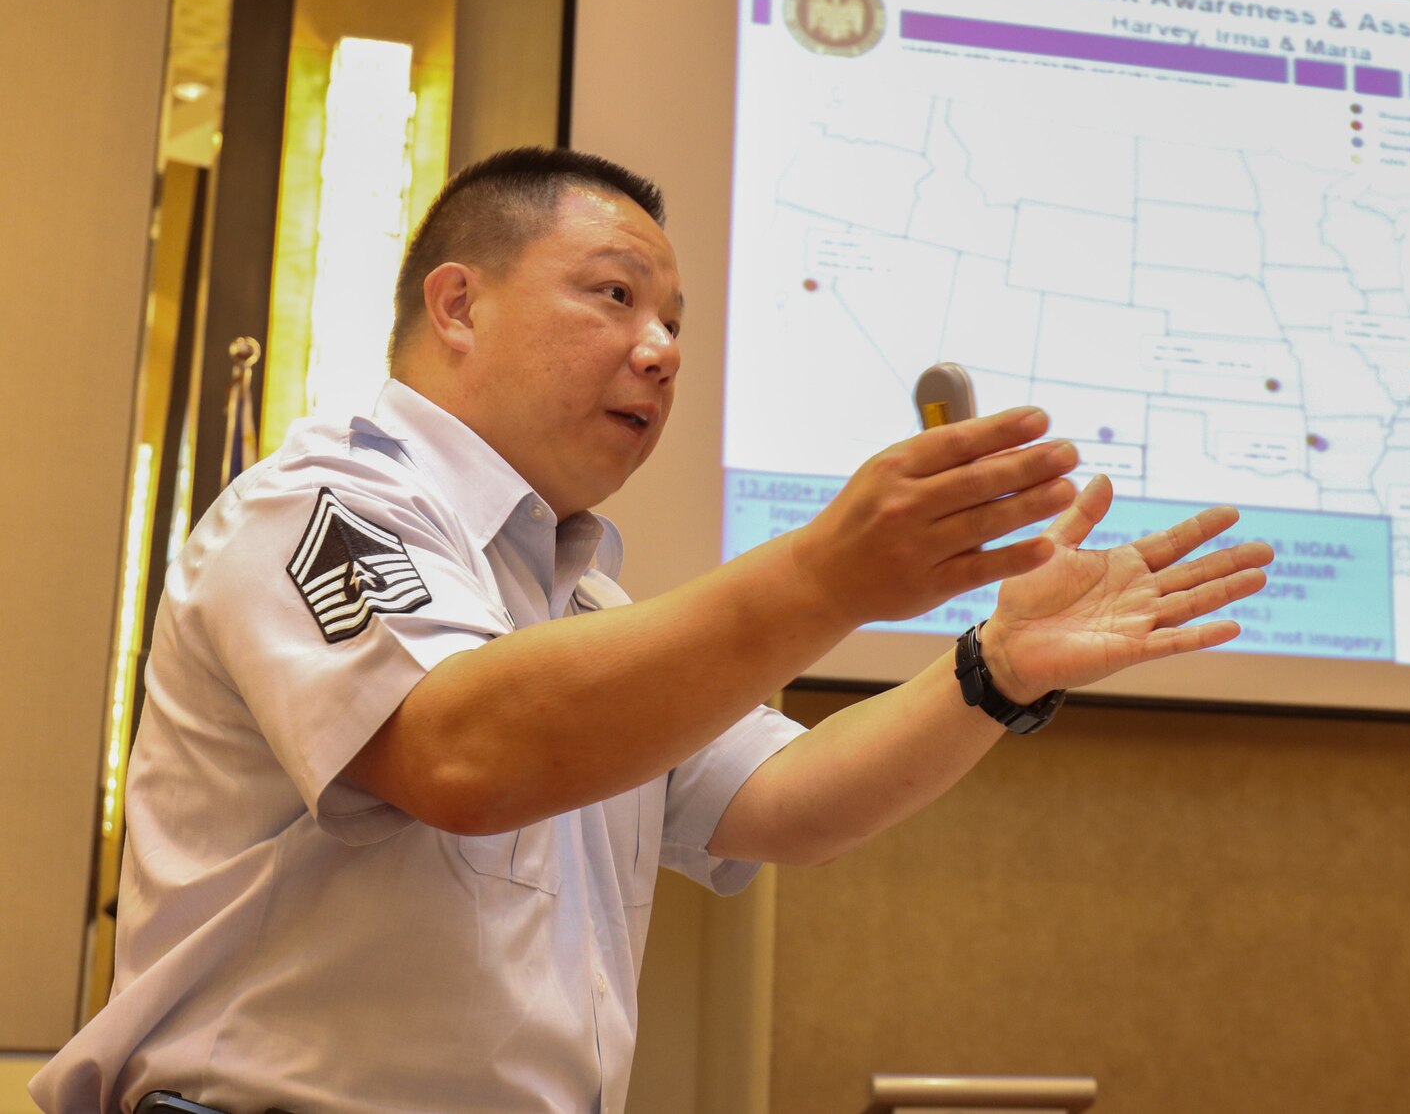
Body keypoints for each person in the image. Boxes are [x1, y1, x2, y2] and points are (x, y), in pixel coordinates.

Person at [32, 147, 1272, 1114]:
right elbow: (459, 751)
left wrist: (991, 674)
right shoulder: (320, 506)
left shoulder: (581, 608)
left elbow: (786, 799)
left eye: (675, 320)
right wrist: (827, 575)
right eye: (614, 296)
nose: (662, 350)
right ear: (457, 304)